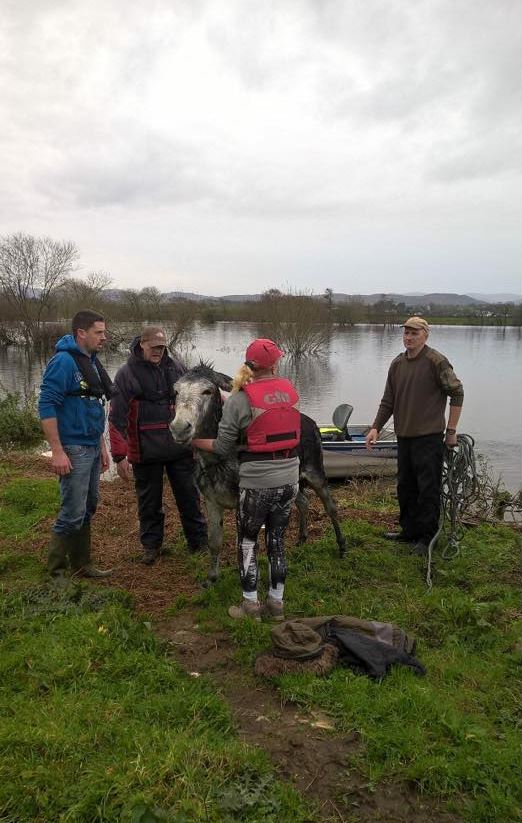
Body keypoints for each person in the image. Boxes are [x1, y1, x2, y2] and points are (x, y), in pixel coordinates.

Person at [192, 338, 300, 622]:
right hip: (290, 476)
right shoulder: (290, 391)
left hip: (257, 482)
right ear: (275, 364)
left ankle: (250, 606)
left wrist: (196, 440)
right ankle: (276, 605)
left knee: (248, 542)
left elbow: (223, 447)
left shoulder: (240, 399)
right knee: (276, 540)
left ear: (248, 365)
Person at [365, 317, 464, 556]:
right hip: (404, 436)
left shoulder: (436, 361)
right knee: (405, 486)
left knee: (427, 488)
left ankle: (427, 537)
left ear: (425, 335)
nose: (409, 337)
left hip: (429, 437)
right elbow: (388, 400)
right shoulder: (397, 364)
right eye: (406, 333)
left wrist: (451, 431)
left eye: (414, 333)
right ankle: (408, 531)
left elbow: (457, 392)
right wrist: (375, 427)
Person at [108, 325, 207, 564]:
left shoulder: (177, 368)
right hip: (144, 451)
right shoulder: (126, 374)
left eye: (162, 347)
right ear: (142, 344)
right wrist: (119, 456)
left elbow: (193, 402)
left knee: (189, 498)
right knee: (149, 503)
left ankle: (199, 544)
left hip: (179, 447)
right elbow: (116, 417)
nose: (158, 352)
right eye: (154, 347)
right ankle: (151, 547)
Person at [39, 309, 113, 582]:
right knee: (72, 511)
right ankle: (56, 573)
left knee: (89, 505)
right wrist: (57, 451)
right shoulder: (64, 362)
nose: (104, 337)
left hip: (92, 446)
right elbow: (46, 405)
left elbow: (94, 405)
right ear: (81, 333)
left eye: (104, 332)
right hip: (73, 448)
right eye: (99, 332)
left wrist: (102, 446)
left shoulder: (90, 361)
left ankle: (82, 565)